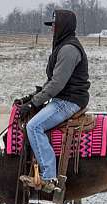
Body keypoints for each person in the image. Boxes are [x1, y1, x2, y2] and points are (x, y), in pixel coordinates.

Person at [19, 9, 91, 193]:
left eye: (54, 25)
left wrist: (33, 104)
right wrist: (32, 97)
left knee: (34, 126)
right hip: (63, 97)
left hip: (69, 100)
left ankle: (49, 177)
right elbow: (53, 81)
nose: (52, 29)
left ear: (63, 27)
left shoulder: (68, 49)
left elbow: (58, 83)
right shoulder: (63, 46)